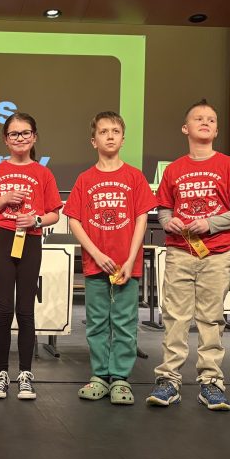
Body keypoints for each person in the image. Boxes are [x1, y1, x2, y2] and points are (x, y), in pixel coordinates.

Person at [147, 100, 230, 411]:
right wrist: (169, 222)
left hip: (217, 254)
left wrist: (210, 223)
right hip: (180, 252)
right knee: (175, 318)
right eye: (198, 118)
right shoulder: (175, 169)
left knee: (211, 318)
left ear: (217, 129)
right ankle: (169, 379)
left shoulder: (229, 166)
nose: (205, 122)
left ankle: (211, 381)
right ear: (186, 128)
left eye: (211, 119)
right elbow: (164, 209)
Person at [63, 111, 156, 405]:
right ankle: (100, 376)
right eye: (104, 132)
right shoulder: (85, 179)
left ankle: (120, 378)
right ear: (94, 141)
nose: (110, 136)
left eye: (116, 131)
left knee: (125, 322)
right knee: (97, 322)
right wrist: (96, 253)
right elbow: (74, 221)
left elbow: (142, 219)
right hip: (96, 264)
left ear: (123, 138)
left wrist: (130, 259)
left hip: (128, 265)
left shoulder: (134, 176)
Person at [0, 113, 63, 401]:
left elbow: (54, 212)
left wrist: (36, 220)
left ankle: (25, 373)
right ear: (5, 139)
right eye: (14, 134)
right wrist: (3, 201)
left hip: (31, 241)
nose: (20, 139)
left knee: (25, 310)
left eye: (25, 133)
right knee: (3, 310)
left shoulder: (43, 173)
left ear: (34, 137)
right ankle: (1, 373)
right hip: (2, 239)